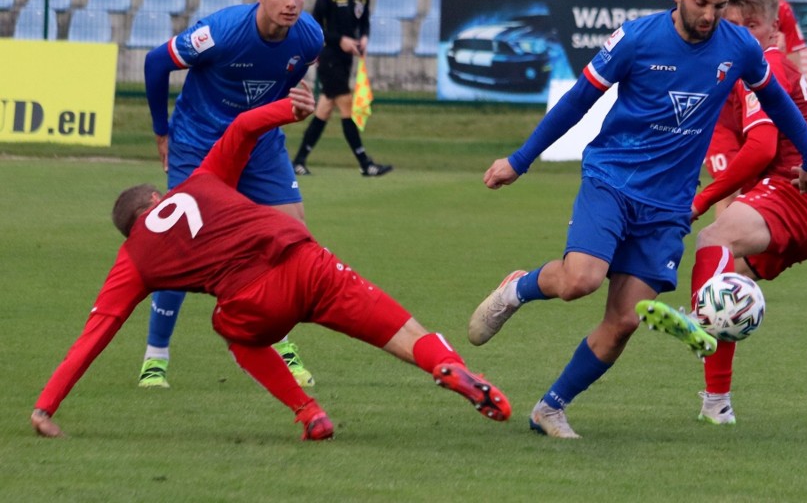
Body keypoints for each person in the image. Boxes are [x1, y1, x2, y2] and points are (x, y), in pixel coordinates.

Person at [466, 0, 807, 440]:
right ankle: (517, 288)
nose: (710, 15)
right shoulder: (636, 39)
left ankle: (550, 408)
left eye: (719, 6)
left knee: (625, 321)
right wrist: (519, 160)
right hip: (612, 179)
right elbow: (577, 102)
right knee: (580, 281)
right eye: (701, 2)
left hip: (669, 205)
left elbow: (780, 105)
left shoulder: (737, 47)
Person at [29, 92, 512, 441]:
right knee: (402, 330)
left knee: (235, 333)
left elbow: (98, 331)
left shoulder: (133, 257)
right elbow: (241, 129)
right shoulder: (198, 180)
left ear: (130, 225)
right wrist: (287, 108)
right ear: (157, 198)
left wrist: (46, 406)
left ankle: (310, 414)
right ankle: (448, 365)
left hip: (254, 303)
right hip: (304, 261)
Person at [140, 0, 322, 389]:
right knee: (178, 245)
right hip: (199, 143)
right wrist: (162, 131)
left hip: (259, 145)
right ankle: (155, 357)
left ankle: (283, 344)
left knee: (291, 235)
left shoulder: (310, 38)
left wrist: (289, 108)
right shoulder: (220, 33)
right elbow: (155, 62)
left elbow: (286, 82)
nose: (291, 2)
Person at [683, 0, 807, 425]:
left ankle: (698, 322)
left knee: (712, 239)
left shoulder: (763, 65)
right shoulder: (757, 65)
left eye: (746, 26)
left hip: (797, 196)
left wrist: (698, 202)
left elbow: (763, 149)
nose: (736, 34)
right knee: (725, 281)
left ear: (769, 29)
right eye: (731, 25)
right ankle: (717, 404)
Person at [292, 0, 392, 177]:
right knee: (346, 104)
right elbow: (315, 26)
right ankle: (365, 163)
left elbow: (364, 21)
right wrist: (341, 41)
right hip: (328, 58)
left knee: (324, 109)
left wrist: (364, 38)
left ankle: (298, 161)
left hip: (346, 61)